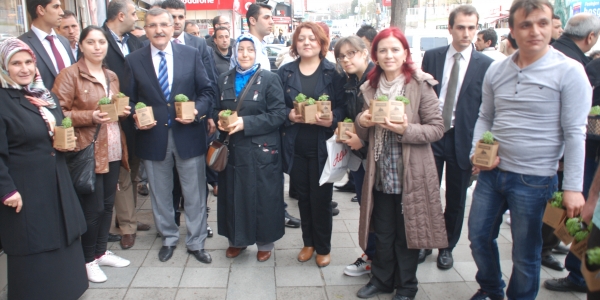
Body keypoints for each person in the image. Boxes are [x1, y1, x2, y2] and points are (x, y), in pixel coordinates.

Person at [467, 0, 591, 299]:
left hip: (535, 180)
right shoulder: (497, 70)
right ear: (512, 30)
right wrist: (477, 152)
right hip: (492, 174)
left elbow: (576, 133)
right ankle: (492, 289)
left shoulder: (570, 71)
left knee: (526, 253)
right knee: (478, 238)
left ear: (552, 26)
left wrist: (574, 187)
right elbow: (486, 116)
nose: (535, 31)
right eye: (525, 24)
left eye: (542, 23)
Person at [353, 27, 447, 300]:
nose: (389, 55)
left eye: (395, 49)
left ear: (405, 53)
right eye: (383, 50)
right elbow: (362, 129)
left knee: (408, 234)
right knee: (382, 232)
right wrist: (363, 121)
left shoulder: (419, 84)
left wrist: (406, 129)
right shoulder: (370, 87)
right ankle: (382, 280)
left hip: (411, 172)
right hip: (380, 170)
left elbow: (436, 129)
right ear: (376, 55)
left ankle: (407, 286)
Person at [123, 8, 214, 264]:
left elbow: (207, 91)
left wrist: (197, 110)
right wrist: (135, 116)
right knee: (160, 193)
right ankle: (169, 237)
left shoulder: (191, 54)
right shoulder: (133, 60)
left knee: (195, 193)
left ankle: (196, 241)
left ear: (173, 25)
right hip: (153, 137)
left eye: (164, 24)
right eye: (152, 25)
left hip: (188, 134)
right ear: (145, 28)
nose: (159, 30)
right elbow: (129, 100)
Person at [0, 37, 88, 300]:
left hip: (55, 178)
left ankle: (68, 289)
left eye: (28, 62)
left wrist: (63, 140)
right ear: (4, 67)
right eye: (16, 63)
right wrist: (6, 190)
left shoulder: (42, 93)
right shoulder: (3, 99)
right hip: (24, 185)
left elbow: (58, 124)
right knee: (33, 241)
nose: (24, 68)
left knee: (63, 235)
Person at [53, 25, 132, 283]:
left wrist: (123, 111)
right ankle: (87, 260)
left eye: (101, 42)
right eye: (91, 42)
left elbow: (114, 108)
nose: (97, 47)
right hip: (88, 149)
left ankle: (99, 252)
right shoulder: (70, 75)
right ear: (81, 46)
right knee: (93, 208)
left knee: (108, 205)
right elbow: (56, 112)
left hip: (112, 146)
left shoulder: (111, 75)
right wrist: (89, 116)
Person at [419, 5, 494, 270]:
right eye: (460, 27)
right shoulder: (433, 56)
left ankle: (447, 247)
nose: (466, 33)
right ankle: (425, 242)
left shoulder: (487, 65)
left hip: (463, 138)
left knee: (456, 198)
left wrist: (481, 150)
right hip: (433, 135)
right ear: (450, 28)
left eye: (471, 28)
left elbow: (488, 109)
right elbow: (423, 95)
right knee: (428, 193)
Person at [277, 22, 346, 268]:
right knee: (303, 198)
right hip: (295, 144)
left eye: (312, 39)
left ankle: (323, 247)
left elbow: (343, 107)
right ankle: (308, 243)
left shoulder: (334, 73)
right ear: (295, 43)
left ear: (321, 43)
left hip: (323, 146)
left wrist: (333, 118)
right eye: (302, 38)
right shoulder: (284, 72)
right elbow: (275, 105)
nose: (307, 42)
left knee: (322, 198)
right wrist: (288, 115)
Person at [213, 33, 286, 262]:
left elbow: (279, 114)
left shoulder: (269, 79)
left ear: (257, 53)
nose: (245, 54)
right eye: (241, 49)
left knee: (263, 196)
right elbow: (218, 107)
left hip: (260, 149)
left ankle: (265, 242)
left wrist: (246, 123)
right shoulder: (224, 78)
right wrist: (218, 118)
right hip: (233, 149)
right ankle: (237, 240)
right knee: (233, 194)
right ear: (235, 52)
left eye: (250, 50)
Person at [543, 12, 600, 293]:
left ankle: (576, 270)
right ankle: (577, 272)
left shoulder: (565, 58)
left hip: (579, 155)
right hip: (583, 155)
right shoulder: (582, 64)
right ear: (590, 37)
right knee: (578, 213)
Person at [160, 0, 219, 231]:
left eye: (180, 17)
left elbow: (209, 82)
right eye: (171, 17)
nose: (176, 21)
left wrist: (209, 114)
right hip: (163, 127)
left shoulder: (198, 44)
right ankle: (171, 222)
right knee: (170, 180)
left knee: (196, 177)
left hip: (194, 122)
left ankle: (200, 223)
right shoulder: (148, 46)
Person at [102, 0, 150, 249]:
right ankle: (126, 226)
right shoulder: (98, 40)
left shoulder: (135, 42)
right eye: (134, 13)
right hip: (110, 121)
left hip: (136, 120)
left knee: (132, 168)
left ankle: (127, 218)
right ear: (121, 16)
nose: (137, 17)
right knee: (121, 172)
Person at [333, 36, 377, 277]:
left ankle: (377, 260)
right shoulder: (349, 81)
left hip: (377, 157)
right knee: (365, 207)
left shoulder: (376, 80)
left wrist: (364, 139)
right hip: (358, 156)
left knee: (378, 211)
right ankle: (371, 256)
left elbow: (382, 120)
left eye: (351, 53)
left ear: (365, 52)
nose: (346, 59)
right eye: (341, 56)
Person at [19, 0, 75, 89]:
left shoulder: (64, 41)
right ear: (41, 10)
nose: (61, 12)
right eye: (56, 7)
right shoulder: (22, 44)